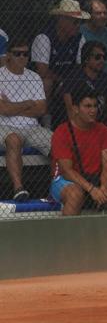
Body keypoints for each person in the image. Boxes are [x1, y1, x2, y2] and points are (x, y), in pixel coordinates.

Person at [50, 84, 107, 216]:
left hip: (96, 179)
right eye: (87, 106)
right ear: (75, 109)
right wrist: (91, 189)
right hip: (66, 181)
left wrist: (103, 189)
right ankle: (69, 236)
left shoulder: (103, 130)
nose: (93, 110)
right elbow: (67, 171)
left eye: (95, 106)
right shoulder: (62, 131)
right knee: (75, 195)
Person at [0, 38, 52, 201]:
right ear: (8, 55)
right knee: (14, 140)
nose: (22, 57)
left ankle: (58, 186)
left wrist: (12, 106)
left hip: (32, 128)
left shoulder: (34, 77)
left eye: (25, 54)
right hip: (5, 126)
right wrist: (28, 104)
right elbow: (3, 110)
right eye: (17, 54)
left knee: (57, 141)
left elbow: (41, 109)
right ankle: (18, 188)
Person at [58, 41, 107, 129]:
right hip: (77, 127)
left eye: (104, 57)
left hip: (99, 127)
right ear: (87, 59)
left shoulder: (104, 78)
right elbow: (70, 109)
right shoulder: (73, 77)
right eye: (97, 57)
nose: (102, 60)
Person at [31, 0, 88, 103]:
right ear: (61, 19)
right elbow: (42, 71)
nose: (78, 25)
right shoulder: (44, 37)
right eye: (75, 22)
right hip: (54, 81)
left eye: (80, 22)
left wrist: (71, 81)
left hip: (71, 80)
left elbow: (81, 66)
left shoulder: (80, 38)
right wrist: (62, 81)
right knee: (47, 83)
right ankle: (45, 117)